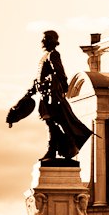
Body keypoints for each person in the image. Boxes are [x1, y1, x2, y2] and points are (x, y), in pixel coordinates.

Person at [35, 30, 92, 161]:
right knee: (51, 123)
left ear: (52, 41)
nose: (43, 41)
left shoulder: (53, 55)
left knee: (55, 123)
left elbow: (60, 73)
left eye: (46, 38)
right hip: (45, 96)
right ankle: (58, 149)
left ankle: (57, 149)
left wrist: (62, 90)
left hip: (51, 97)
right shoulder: (45, 56)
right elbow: (38, 79)